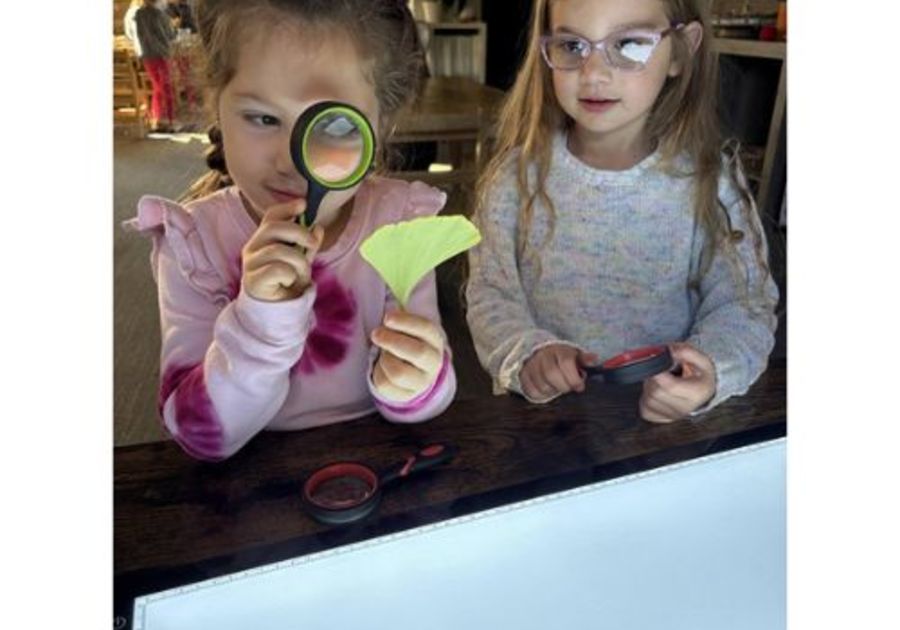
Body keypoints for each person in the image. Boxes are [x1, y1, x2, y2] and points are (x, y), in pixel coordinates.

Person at [126, 0, 456, 460]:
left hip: (375, 473)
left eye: (335, 124)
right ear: (215, 107)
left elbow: (427, 390)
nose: (289, 161)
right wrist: (261, 320)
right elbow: (198, 436)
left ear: (381, 127)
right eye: (263, 118)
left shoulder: (400, 225)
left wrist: (416, 382)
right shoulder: (191, 245)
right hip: (250, 489)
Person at [465, 0, 779, 422]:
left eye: (630, 44)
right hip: (539, 431)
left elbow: (744, 306)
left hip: (665, 435)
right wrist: (528, 354)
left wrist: (709, 371)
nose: (594, 73)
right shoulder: (513, 179)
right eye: (572, 46)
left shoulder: (713, 184)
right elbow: (491, 293)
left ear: (681, 50)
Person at [134, 0, 177, 132]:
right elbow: (170, 36)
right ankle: (170, 121)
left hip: (147, 55)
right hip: (161, 55)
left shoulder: (138, 14)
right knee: (167, 87)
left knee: (157, 88)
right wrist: (174, 26)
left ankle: (157, 119)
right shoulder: (159, 14)